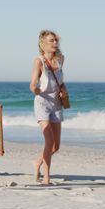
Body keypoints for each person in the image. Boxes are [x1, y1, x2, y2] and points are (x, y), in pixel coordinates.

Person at [30, 30, 69, 185]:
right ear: (43, 44)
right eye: (51, 41)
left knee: (56, 146)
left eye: (56, 41)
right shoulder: (39, 61)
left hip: (57, 104)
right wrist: (35, 89)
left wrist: (63, 89)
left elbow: (60, 81)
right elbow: (33, 83)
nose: (55, 43)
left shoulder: (61, 59)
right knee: (49, 141)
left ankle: (38, 162)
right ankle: (46, 178)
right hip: (42, 103)